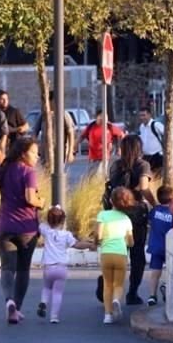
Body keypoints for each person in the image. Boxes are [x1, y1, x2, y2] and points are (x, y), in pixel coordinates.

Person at [0, 137, 44, 325]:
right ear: (23, 154)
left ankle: (8, 300)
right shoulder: (28, 172)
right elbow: (30, 198)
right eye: (34, 152)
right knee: (23, 270)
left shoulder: (3, 169)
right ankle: (16, 307)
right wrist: (41, 203)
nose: (37, 157)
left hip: (5, 226)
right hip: (27, 229)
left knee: (7, 268)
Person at [104, 134, 157, 305]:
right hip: (135, 215)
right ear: (139, 148)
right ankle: (132, 293)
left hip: (115, 214)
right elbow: (144, 188)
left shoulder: (115, 165)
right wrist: (155, 204)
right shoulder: (142, 165)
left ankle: (106, 285)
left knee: (116, 253)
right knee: (137, 255)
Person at [36, 205, 93, 324]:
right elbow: (77, 245)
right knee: (57, 293)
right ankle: (54, 317)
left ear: (48, 219)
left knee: (46, 287)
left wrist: (37, 210)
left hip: (48, 267)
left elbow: (38, 222)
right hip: (61, 268)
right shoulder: (67, 235)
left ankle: (43, 302)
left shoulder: (46, 230)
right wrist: (89, 245)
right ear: (63, 220)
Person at [96, 187, 135, 324]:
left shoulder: (103, 215)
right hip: (121, 254)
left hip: (106, 254)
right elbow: (131, 241)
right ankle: (116, 300)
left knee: (107, 285)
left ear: (111, 200)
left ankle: (107, 315)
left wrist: (97, 242)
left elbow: (99, 235)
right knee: (118, 284)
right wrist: (127, 242)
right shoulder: (126, 219)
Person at [146, 186, 173, 307]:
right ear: (172, 198)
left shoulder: (155, 211)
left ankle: (152, 296)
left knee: (155, 272)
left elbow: (149, 221)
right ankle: (166, 286)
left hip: (156, 246)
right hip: (169, 247)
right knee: (171, 270)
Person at [33, 92, 76, 166]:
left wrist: (70, 152)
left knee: (58, 173)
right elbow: (35, 132)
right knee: (46, 172)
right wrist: (35, 149)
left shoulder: (63, 114)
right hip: (45, 152)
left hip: (59, 151)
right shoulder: (43, 115)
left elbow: (71, 133)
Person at [137, 107, 164, 171]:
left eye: (144, 115)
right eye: (140, 115)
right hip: (146, 157)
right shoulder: (141, 127)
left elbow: (168, 134)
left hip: (157, 156)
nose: (142, 118)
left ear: (149, 115)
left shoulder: (156, 125)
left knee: (157, 176)